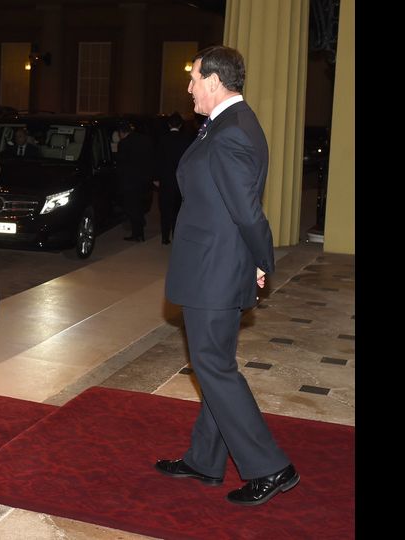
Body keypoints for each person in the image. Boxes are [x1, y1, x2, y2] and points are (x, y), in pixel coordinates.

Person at [157, 45, 299, 506]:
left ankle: (271, 466)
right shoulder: (221, 125)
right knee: (213, 365)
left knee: (215, 368)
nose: (190, 86)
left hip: (215, 268)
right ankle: (205, 459)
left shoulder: (231, 132)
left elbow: (246, 210)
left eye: (195, 78)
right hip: (211, 264)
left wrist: (262, 261)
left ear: (215, 81)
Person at [114, 121, 155, 242]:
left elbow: (121, 165)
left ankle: (137, 233)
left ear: (122, 132)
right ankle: (140, 230)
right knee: (139, 205)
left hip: (130, 182)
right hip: (144, 180)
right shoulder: (146, 140)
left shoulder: (123, 144)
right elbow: (151, 159)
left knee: (131, 208)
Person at [155, 112, 190, 245]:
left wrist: (156, 177)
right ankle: (176, 236)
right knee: (177, 210)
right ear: (180, 125)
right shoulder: (185, 140)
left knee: (164, 210)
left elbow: (157, 160)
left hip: (165, 180)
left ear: (169, 124)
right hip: (180, 181)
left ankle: (165, 237)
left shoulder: (162, 139)